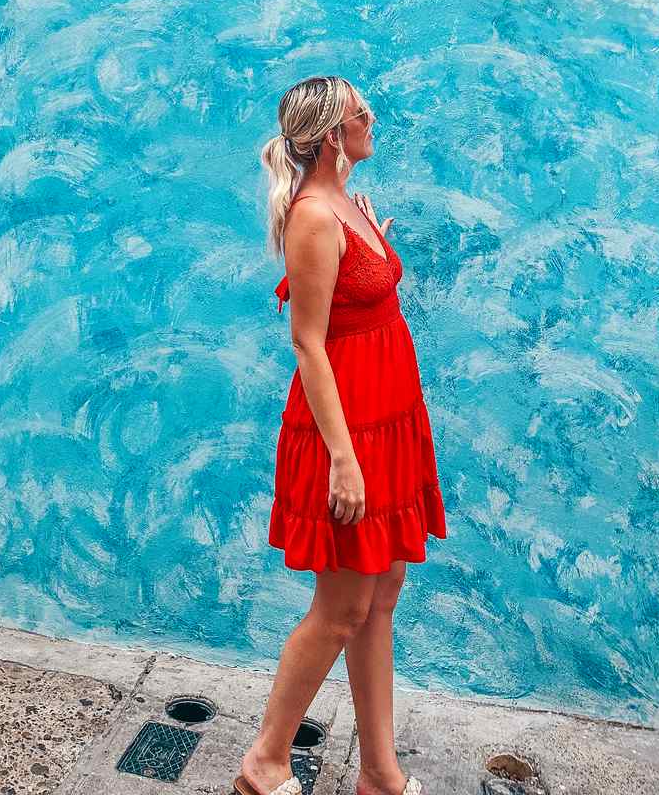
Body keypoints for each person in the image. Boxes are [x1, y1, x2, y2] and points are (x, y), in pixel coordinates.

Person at [233, 76, 447, 795]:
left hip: (388, 419)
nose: (372, 118)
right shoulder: (314, 217)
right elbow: (308, 343)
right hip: (346, 431)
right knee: (341, 608)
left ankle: (380, 774)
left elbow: (361, 300)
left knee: (383, 593)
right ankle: (264, 760)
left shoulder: (347, 206)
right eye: (361, 112)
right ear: (332, 135)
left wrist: (376, 258)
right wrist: (343, 461)